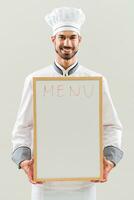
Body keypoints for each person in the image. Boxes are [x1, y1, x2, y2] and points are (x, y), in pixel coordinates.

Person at [11, 7, 123, 200]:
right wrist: (24, 162)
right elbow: (22, 127)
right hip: (45, 184)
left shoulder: (96, 80)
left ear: (80, 40)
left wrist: (109, 160)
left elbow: (111, 125)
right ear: (53, 40)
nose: (67, 43)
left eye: (72, 37)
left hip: (84, 183)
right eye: (62, 37)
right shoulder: (35, 80)